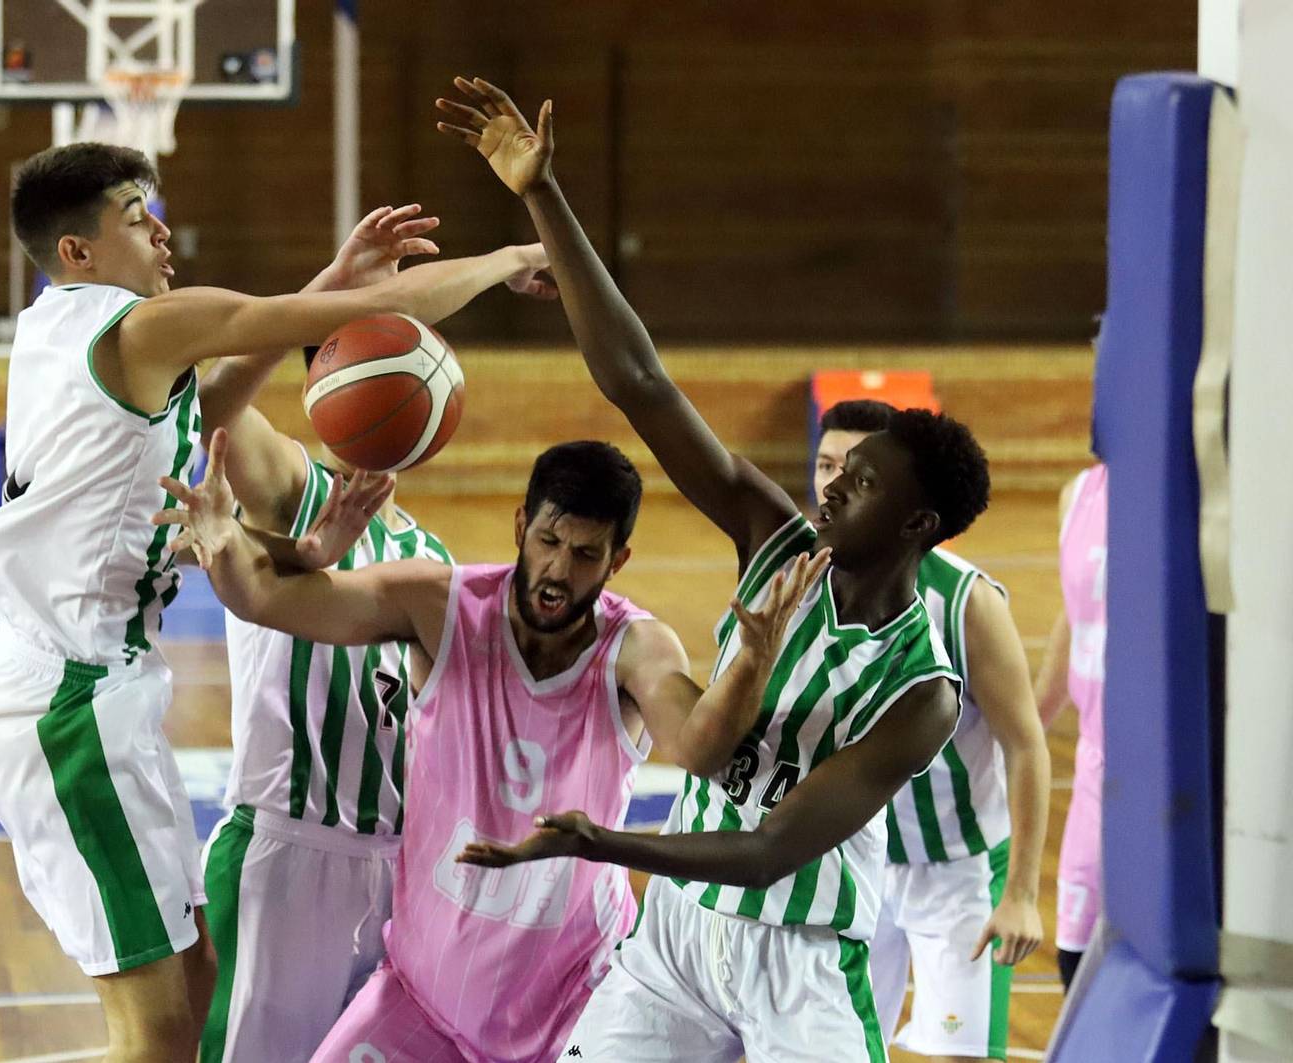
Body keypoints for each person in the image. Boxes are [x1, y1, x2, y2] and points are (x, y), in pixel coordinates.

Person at [0, 142, 550, 1063]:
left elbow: (216, 406)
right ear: (77, 251)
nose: (160, 229)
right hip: (65, 703)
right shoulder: (139, 327)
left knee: (194, 989)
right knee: (154, 1035)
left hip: (95, 687)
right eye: (132, 213)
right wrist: (509, 259)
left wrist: (334, 278)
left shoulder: (62, 331)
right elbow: (367, 316)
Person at [439, 77, 987, 1062]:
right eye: (835, 469)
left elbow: (773, 847)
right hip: (676, 943)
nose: (829, 489)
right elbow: (641, 383)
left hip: (804, 955)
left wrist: (600, 842)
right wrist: (541, 195)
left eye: (858, 485)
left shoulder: (923, 693)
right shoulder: (777, 538)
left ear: (915, 522)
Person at [155, 432, 830, 1063]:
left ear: (617, 560)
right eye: (549, 540)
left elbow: (697, 747)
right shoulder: (435, 602)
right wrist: (225, 536)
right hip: (426, 997)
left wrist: (752, 661)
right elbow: (270, 599)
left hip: (582, 1001)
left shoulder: (635, 648)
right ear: (520, 527)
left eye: (587, 553)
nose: (559, 570)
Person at [189, 204, 503, 1063]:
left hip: (398, 861)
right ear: (324, 380)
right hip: (287, 854)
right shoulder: (293, 485)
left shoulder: (431, 556)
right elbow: (210, 407)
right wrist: (326, 288)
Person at [816, 400, 1049, 1061]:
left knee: (961, 1055)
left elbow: (1026, 743)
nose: (834, 484)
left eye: (857, 471)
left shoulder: (969, 601)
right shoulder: (806, 579)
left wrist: (1025, 895)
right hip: (855, 862)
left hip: (958, 870)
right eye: (826, 464)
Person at [1033, 463, 1107, 989]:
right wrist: (1029, 724)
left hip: (1182, 784)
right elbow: (1075, 613)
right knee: (1076, 964)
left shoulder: (1208, 493)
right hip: (1096, 774)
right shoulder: (1080, 494)